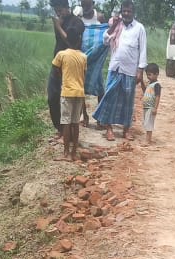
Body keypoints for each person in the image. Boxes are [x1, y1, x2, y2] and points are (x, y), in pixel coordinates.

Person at [92, 0, 146, 141]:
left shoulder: (139, 28)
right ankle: (109, 129)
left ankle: (126, 130)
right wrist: (114, 25)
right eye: (124, 11)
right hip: (115, 68)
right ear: (121, 12)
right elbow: (105, 40)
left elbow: (143, 50)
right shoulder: (116, 25)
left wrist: (140, 70)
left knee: (128, 102)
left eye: (129, 11)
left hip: (130, 70)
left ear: (133, 12)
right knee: (109, 97)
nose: (126, 13)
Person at [47, 0, 85, 141]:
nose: (58, 12)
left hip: (71, 67)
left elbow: (70, 41)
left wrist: (58, 26)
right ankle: (60, 129)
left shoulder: (77, 23)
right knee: (53, 97)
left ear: (66, 7)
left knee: (70, 100)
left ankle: (70, 131)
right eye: (56, 10)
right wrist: (58, 24)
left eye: (60, 9)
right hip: (57, 64)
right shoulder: (60, 21)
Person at [54, 27, 88, 159]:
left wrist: (63, 78)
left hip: (67, 92)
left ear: (67, 40)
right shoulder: (83, 57)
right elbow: (84, 75)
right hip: (79, 92)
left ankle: (66, 152)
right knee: (75, 123)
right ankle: (74, 153)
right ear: (79, 41)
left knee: (66, 123)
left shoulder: (61, 54)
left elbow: (56, 69)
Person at [78, 0, 110, 126]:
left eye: (88, 4)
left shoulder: (100, 17)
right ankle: (84, 116)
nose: (85, 7)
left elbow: (106, 34)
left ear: (93, 3)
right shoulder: (79, 17)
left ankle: (100, 118)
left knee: (100, 88)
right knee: (80, 88)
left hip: (96, 58)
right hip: (82, 56)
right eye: (83, 5)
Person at [141, 62, 162, 144]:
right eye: (147, 75)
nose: (148, 77)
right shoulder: (150, 84)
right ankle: (147, 139)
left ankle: (148, 140)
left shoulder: (157, 85)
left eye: (150, 75)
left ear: (156, 74)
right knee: (146, 123)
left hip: (151, 107)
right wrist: (142, 82)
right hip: (146, 107)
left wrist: (155, 108)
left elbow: (157, 97)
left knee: (149, 124)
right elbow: (145, 91)